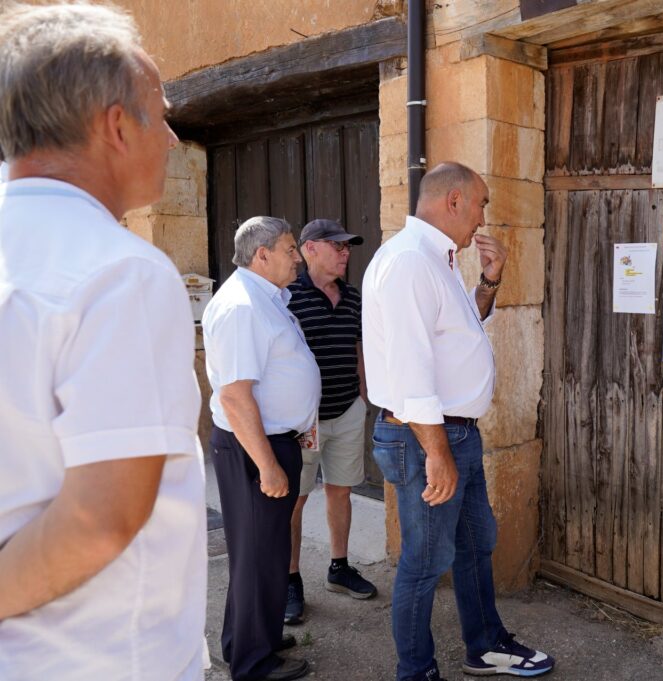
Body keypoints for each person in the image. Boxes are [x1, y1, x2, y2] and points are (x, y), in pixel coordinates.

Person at [0, 3, 207, 679]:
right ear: (116, 126)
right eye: (164, 112)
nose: (174, 138)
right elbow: (99, 519)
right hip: (101, 657)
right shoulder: (121, 271)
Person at [363, 162, 555, 681]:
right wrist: (437, 453)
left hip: (452, 432)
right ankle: (416, 671)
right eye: (481, 204)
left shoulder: (439, 259)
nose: (483, 216)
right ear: (452, 201)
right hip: (426, 435)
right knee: (425, 562)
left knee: (476, 542)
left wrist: (490, 281)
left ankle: (486, 646)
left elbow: (459, 332)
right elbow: (410, 371)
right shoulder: (409, 262)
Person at [202, 217, 320, 681]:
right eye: (292, 249)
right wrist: (267, 465)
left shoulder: (264, 299)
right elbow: (234, 394)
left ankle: (254, 637)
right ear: (262, 254)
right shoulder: (242, 306)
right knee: (256, 555)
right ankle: (253, 663)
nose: (299, 257)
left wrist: (300, 424)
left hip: (272, 441)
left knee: (265, 552)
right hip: (254, 448)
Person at [284, 218, 377, 626]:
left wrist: (363, 395)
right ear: (309, 250)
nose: (345, 252)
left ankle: (339, 567)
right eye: (336, 246)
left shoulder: (353, 297)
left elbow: (358, 346)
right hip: (305, 422)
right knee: (295, 499)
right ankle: (289, 580)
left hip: (346, 411)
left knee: (341, 491)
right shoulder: (286, 297)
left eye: (347, 246)